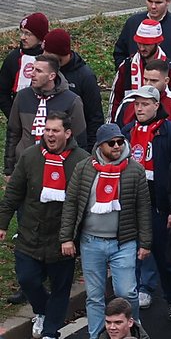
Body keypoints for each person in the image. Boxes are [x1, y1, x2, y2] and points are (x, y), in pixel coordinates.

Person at [0, 111, 82, 339]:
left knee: (60, 288)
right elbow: (13, 193)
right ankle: (43, 310)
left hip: (62, 240)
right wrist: (3, 224)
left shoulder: (81, 161)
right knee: (27, 279)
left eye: (55, 130)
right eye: (46, 130)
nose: (50, 135)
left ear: (67, 133)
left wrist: (75, 237)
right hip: (30, 235)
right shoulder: (30, 156)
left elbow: (84, 203)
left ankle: (50, 332)